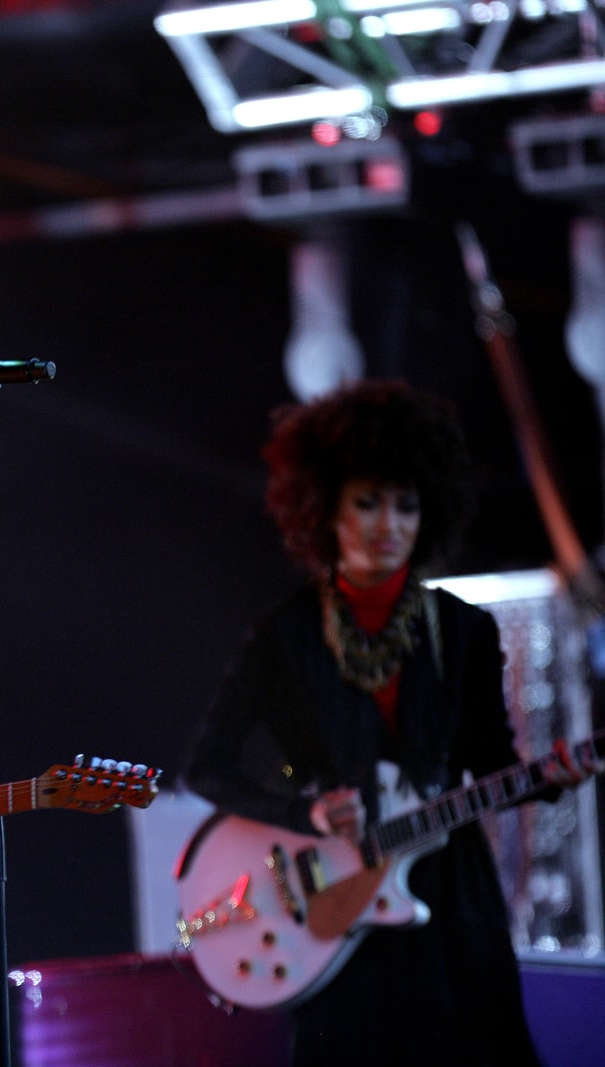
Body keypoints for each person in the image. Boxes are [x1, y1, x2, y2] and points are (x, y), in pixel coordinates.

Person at [184, 379, 592, 1066]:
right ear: (325, 509)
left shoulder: (464, 631)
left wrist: (554, 775)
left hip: (453, 903)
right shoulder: (284, 637)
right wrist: (305, 811)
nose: (389, 524)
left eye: (406, 505)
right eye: (367, 502)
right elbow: (207, 768)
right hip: (334, 907)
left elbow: (494, 762)